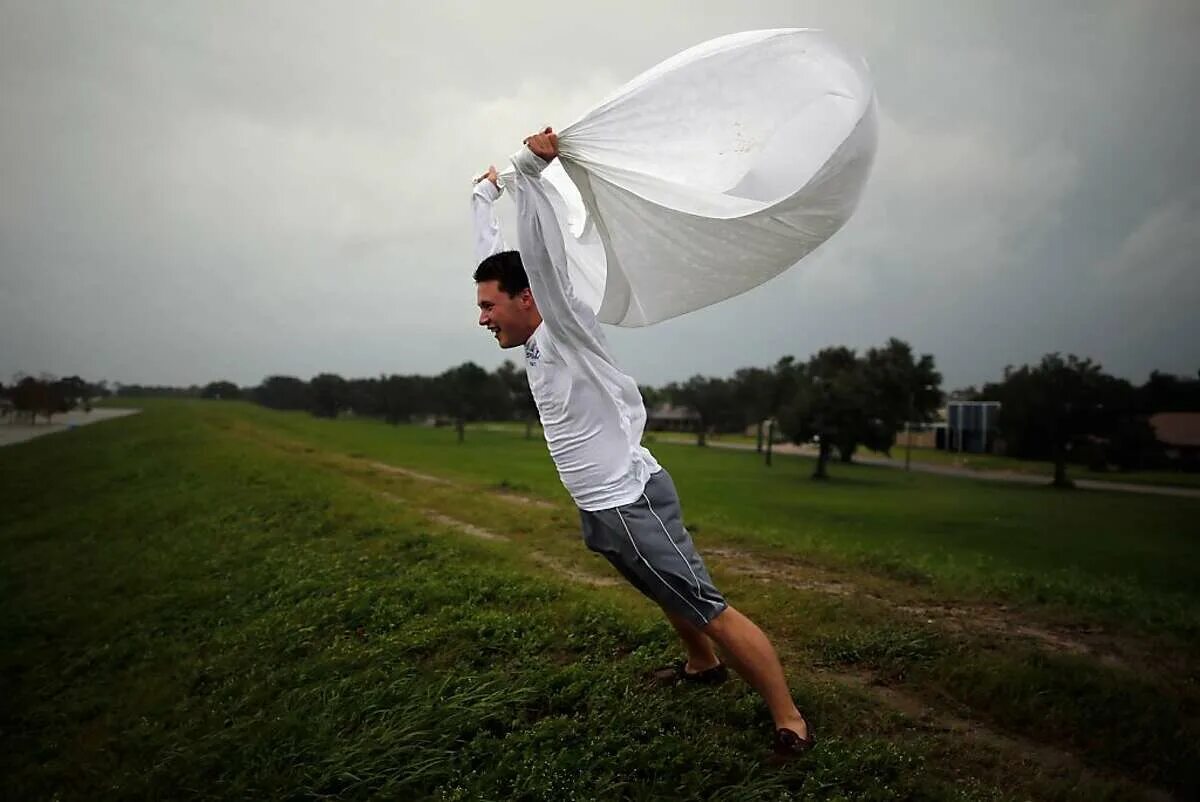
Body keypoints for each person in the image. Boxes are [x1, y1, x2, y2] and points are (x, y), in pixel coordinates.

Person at [471, 127, 814, 757]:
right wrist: (481, 198)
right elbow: (499, 262)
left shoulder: (566, 326)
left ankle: (789, 718)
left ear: (530, 301)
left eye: (491, 306)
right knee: (664, 589)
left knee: (705, 602)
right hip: (601, 505)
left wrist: (530, 176)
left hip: (629, 499)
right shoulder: (534, 336)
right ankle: (700, 666)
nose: (482, 317)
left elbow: (538, 260)